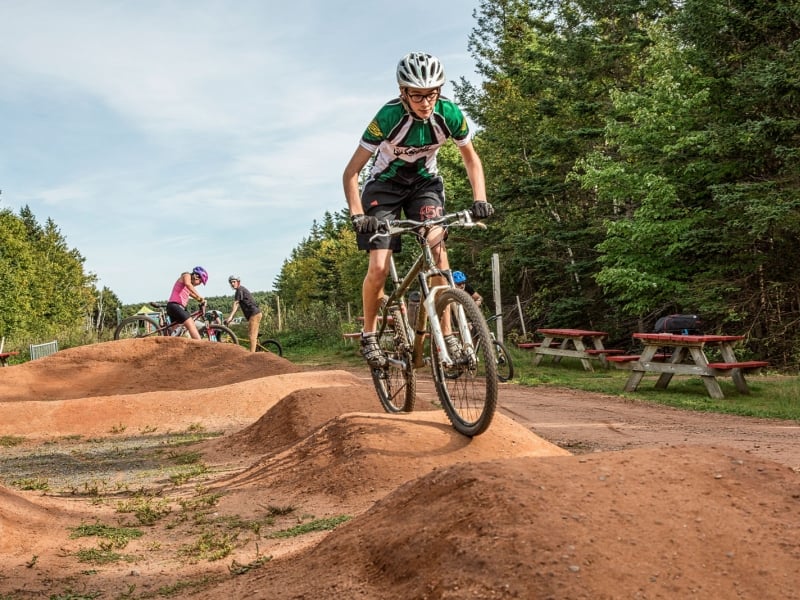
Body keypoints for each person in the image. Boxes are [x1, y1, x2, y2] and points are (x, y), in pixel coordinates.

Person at [343, 51, 494, 367]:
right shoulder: (387, 117)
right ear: (404, 93)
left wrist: (480, 199)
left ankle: (449, 337)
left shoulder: (449, 114)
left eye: (432, 94)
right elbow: (351, 173)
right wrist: (358, 215)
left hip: (424, 186)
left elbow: (471, 158)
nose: (426, 102)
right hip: (383, 189)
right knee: (380, 266)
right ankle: (370, 335)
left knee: (439, 255)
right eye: (418, 95)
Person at [166, 266, 208, 339]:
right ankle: (199, 345)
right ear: (196, 276)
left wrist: (200, 300)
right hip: (175, 306)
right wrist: (201, 297)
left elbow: (192, 294)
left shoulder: (187, 286)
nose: (199, 284)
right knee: (191, 324)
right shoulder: (186, 275)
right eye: (200, 282)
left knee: (176, 335)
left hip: (176, 307)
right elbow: (188, 285)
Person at [224, 275, 263, 352]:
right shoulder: (240, 290)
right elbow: (237, 305)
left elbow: (236, 304)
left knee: (252, 336)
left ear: (238, 282)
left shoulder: (239, 290)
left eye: (234, 282)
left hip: (254, 314)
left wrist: (230, 317)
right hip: (255, 314)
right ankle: (257, 351)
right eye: (231, 282)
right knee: (252, 334)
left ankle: (251, 355)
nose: (232, 284)